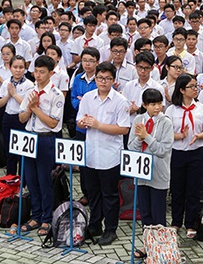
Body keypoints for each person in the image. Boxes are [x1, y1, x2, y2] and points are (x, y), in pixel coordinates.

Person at [77, 62, 131, 245]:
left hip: (110, 155)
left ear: (113, 80)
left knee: (110, 195)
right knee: (93, 193)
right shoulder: (88, 97)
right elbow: (78, 120)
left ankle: (110, 229)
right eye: (100, 78)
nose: (103, 81)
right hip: (91, 153)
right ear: (96, 78)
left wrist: (98, 125)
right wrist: (83, 123)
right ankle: (94, 224)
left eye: (108, 78)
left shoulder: (120, 101)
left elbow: (124, 128)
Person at [18, 55, 65, 236]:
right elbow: (21, 118)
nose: (38, 75)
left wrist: (36, 108)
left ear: (51, 73)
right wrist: (30, 108)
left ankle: (46, 217)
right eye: (36, 71)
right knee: (31, 179)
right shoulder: (30, 90)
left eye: (42, 72)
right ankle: (35, 215)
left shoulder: (56, 94)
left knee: (45, 180)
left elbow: (53, 123)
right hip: (29, 137)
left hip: (46, 139)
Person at [128, 88, 174, 259]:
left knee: (158, 214)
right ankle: (148, 247)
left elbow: (163, 150)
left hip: (159, 173)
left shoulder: (166, 122)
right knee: (145, 213)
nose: (157, 107)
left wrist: (146, 136)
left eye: (159, 103)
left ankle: (160, 250)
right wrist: (140, 138)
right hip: (141, 173)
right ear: (144, 105)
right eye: (153, 104)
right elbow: (130, 147)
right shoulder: (139, 120)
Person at [165, 73, 203, 238]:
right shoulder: (171, 110)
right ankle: (176, 221)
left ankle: (190, 223)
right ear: (182, 90)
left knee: (193, 189)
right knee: (177, 189)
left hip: (197, 153)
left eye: (196, 86)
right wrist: (180, 136)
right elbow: (166, 133)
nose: (195, 89)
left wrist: (199, 135)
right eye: (192, 86)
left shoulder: (201, 108)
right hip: (177, 152)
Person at [70, 47, 100, 206]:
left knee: (96, 159)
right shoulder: (78, 78)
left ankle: (96, 191)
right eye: (85, 60)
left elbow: (99, 102)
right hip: (81, 125)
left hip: (96, 125)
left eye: (91, 61)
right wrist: (81, 103)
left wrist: (86, 102)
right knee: (83, 161)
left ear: (97, 62)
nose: (87, 64)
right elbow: (74, 99)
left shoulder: (100, 79)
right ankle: (86, 192)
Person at [0, 55, 34, 176]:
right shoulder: (6, 83)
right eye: (15, 67)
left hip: (23, 119)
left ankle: (22, 183)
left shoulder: (29, 84)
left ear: (25, 69)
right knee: (10, 152)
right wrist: (8, 95)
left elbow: (28, 104)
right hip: (8, 118)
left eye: (21, 67)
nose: (18, 70)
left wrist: (14, 94)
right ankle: (10, 180)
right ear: (10, 68)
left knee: (23, 153)